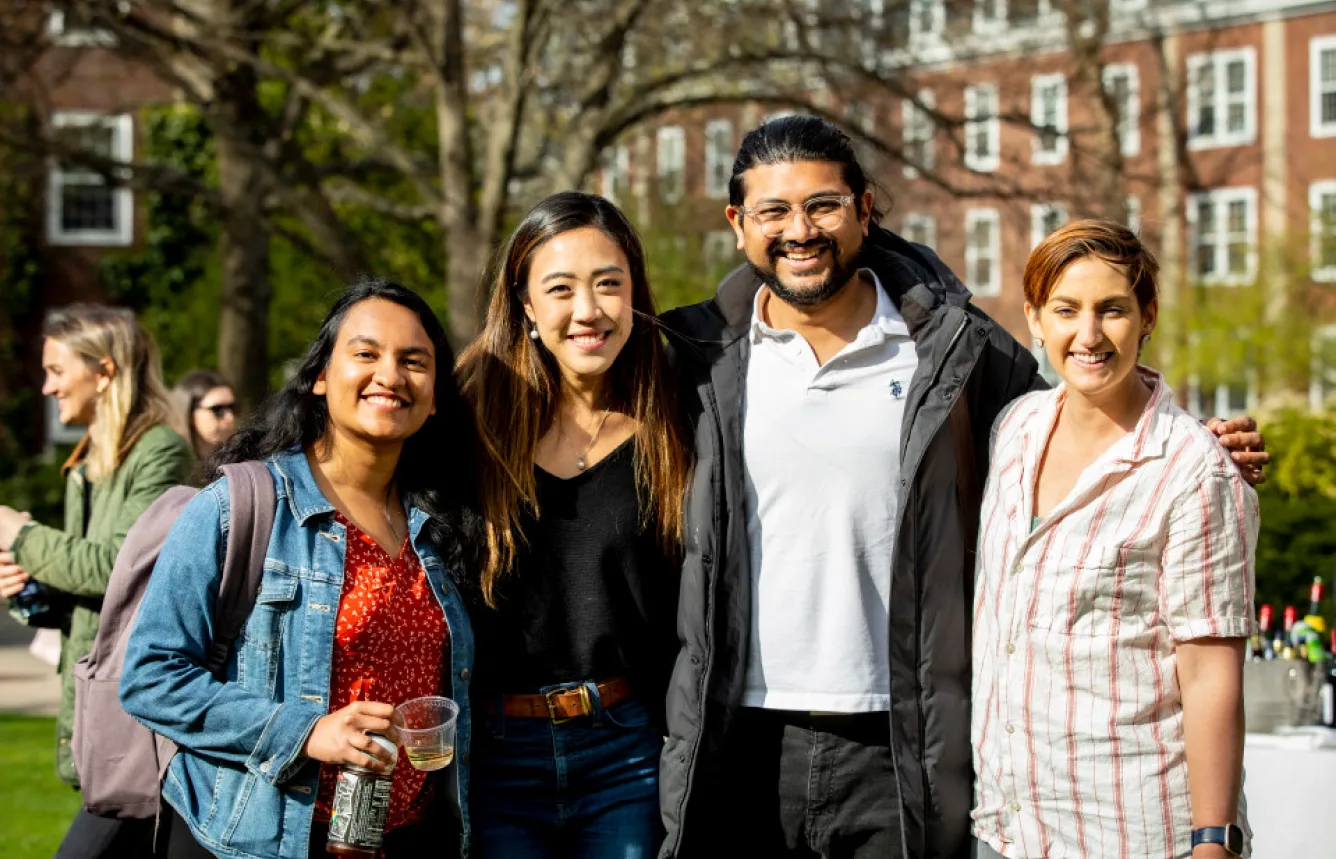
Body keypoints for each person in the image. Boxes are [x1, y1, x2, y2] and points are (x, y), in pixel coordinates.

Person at [655, 116, 1268, 859]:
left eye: (823, 205)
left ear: (865, 208)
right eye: (773, 211)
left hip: (900, 742)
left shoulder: (956, 350)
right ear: (738, 224)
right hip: (742, 739)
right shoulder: (693, 356)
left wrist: (1192, 437)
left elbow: (1085, 395)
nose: (800, 230)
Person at [119, 279, 479, 859]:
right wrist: (305, 732)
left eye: (414, 361)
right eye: (365, 353)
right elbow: (151, 676)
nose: (390, 374)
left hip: (401, 838)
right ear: (319, 377)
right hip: (256, 838)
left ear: (435, 395)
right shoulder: (239, 507)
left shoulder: (440, 525)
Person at [971, 220, 1255, 859]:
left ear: (1147, 315)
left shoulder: (1194, 469)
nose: (1089, 335)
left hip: (1129, 829)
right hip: (1006, 826)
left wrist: (1214, 842)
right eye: (1067, 310)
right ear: (1035, 319)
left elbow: (1211, 674)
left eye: (1113, 310)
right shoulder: (1015, 430)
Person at [456, 190, 692, 858]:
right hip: (498, 751)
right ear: (526, 305)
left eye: (608, 285)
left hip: (626, 750)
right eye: (560, 288)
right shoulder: (471, 420)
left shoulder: (675, 422)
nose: (588, 310)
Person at [0, 304, 191, 858]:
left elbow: (116, 568)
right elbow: (90, 595)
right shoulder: (86, 466)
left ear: (105, 372)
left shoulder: (160, 451)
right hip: (98, 709)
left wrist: (21, 536)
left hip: (136, 715)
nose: (46, 388)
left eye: (58, 371)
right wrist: (31, 590)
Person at [171, 369, 237, 465]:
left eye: (233, 408)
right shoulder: (171, 462)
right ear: (189, 415)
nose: (230, 418)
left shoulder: (243, 463)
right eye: (217, 409)